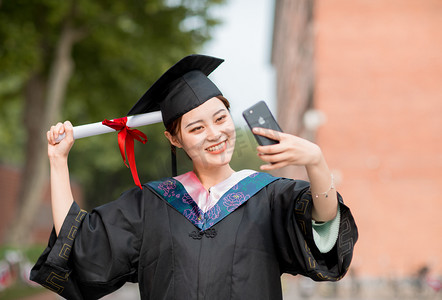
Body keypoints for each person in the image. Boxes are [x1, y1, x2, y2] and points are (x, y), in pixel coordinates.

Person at [30, 54, 358, 299]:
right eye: (197, 128)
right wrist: (58, 162)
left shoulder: (268, 196)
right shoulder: (151, 204)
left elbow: (324, 226)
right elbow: (81, 247)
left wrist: (316, 162)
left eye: (220, 118)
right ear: (175, 139)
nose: (215, 134)